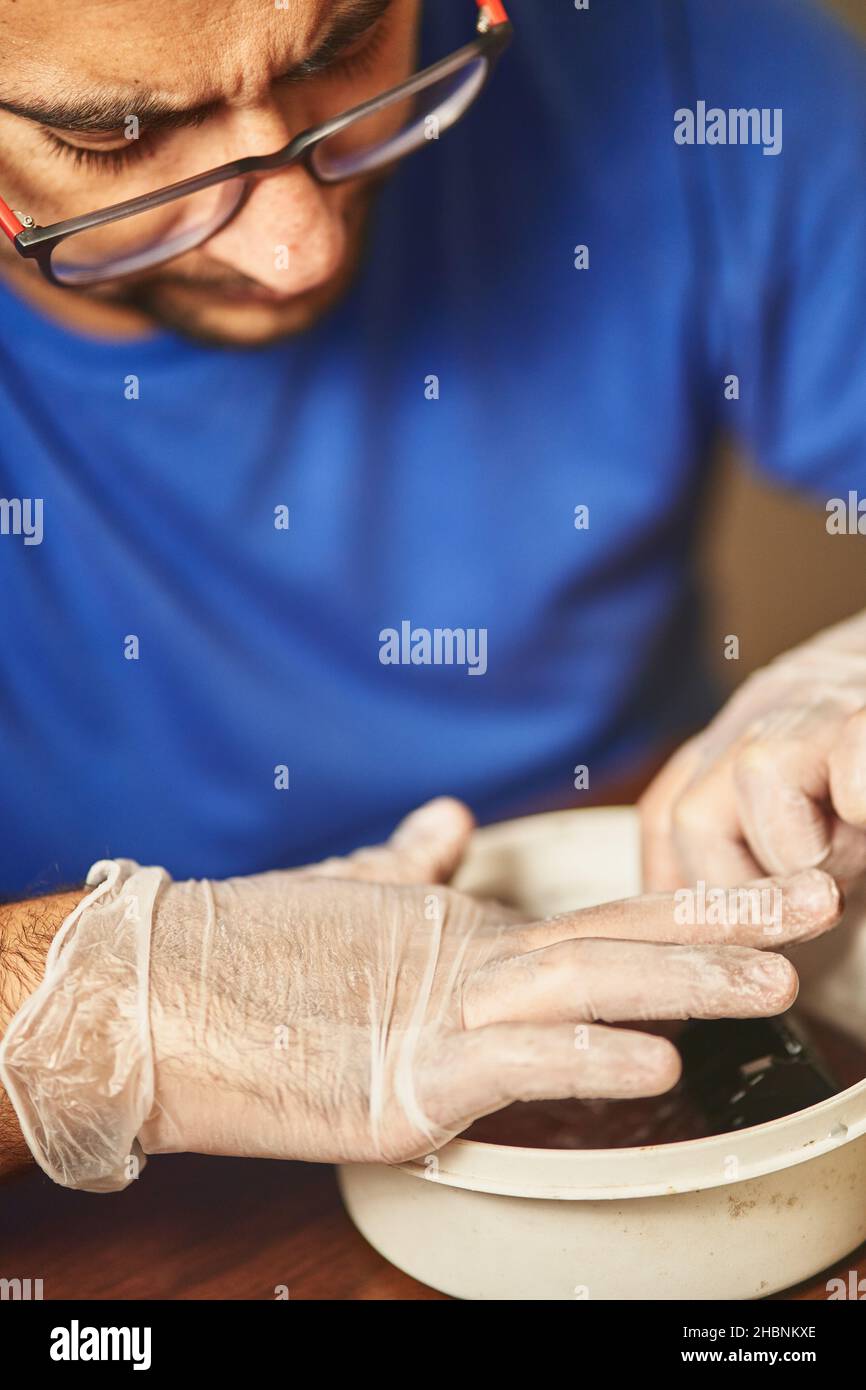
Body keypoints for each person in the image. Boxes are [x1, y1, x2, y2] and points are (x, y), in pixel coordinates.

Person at [0, 0, 864, 1188]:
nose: (296, 245)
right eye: (118, 137)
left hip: (645, 905)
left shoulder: (687, 58)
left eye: (341, 45)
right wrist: (99, 1017)